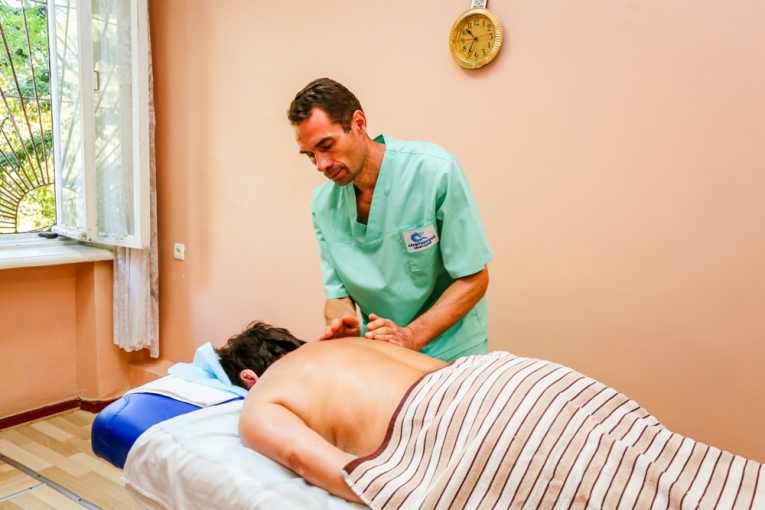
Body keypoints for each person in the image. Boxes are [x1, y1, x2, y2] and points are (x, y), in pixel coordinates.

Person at [217, 321, 764, 509]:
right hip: (514, 378)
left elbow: (310, 461)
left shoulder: (262, 398)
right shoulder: (347, 344)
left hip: (468, 421)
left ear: (247, 376)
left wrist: (394, 487)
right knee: (676, 475)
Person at [287, 78, 493, 361]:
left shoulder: (434, 171)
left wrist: (412, 335)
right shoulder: (323, 205)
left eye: (327, 145)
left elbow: (474, 278)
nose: (321, 164)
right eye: (311, 155)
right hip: (385, 352)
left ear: (359, 123)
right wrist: (344, 322)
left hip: (452, 349)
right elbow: (337, 297)